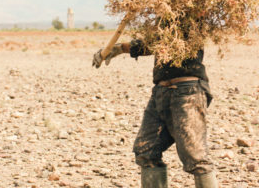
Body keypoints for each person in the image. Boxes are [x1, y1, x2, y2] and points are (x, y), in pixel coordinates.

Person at [93, 38, 218, 188]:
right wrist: (119, 48)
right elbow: (157, 43)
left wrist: (121, 48)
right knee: (146, 151)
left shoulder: (191, 19)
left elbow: (164, 41)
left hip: (187, 92)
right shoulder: (162, 20)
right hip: (161, 91)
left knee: (196, 157)